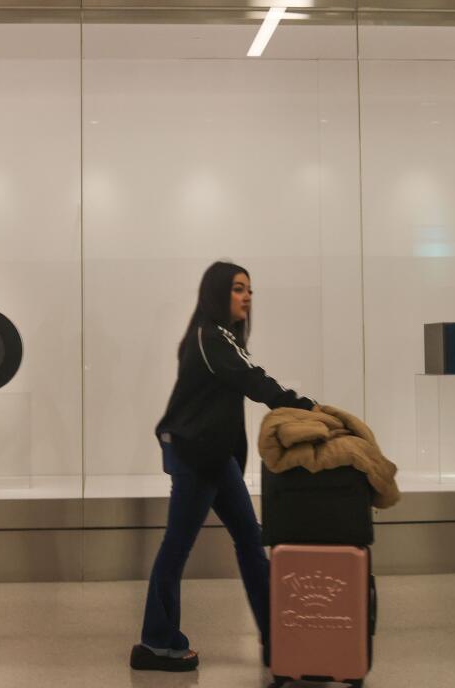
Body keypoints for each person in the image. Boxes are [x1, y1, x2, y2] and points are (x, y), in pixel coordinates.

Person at [131, 260, 318, 672]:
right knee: (178, 547)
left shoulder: (218, 338)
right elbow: (254, 380)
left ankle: (278, 636)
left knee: (250, 541)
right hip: (196, 458)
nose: (247, 296)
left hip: (214, 459)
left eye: (249, 289)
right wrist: (308, 408)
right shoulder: (209, 337)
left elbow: (242, 385)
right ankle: (156, 643)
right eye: (238, 288)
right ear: (218, 293)